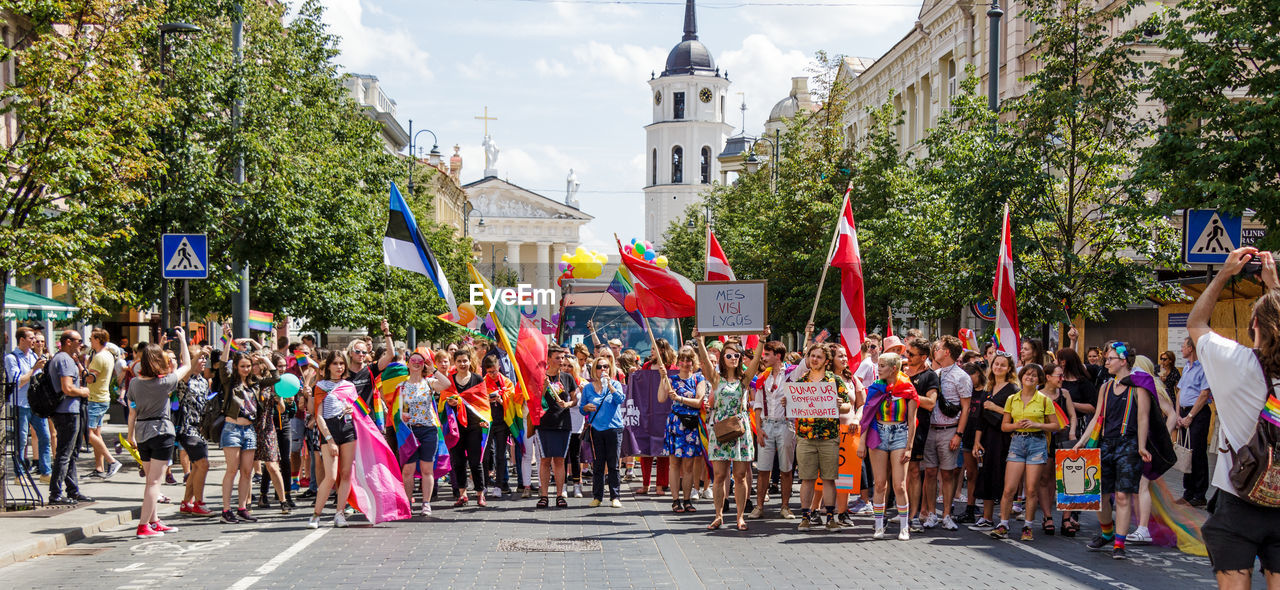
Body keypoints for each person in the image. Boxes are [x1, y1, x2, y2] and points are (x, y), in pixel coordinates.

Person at [1190, 247, 1280, 590]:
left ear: (1254, 325)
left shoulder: (1236, 363)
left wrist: (1224, 274)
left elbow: (1197, 323)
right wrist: (1275, 287)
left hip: (1239, 496)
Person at [1073, 341, 1152, 560]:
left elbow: (1143, 417)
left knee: (1123, 495)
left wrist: (1142, 446)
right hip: (1106, 443)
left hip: (1129, 444)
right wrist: (1082, 441)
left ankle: (1120, 542)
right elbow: (1098, 417)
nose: (1106, 362)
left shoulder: (1139, 385)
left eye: (1110, 359)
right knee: (1100, 494)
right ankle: (1107, 532)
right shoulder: (1106, 387)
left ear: (1123, 361)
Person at [694, 329, 762, 531]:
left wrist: (762, 341)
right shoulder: (716, 379)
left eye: (736, 355)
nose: (733, 358)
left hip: (740, 430)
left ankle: (740, 517)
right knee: (719, 476)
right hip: (720, 430)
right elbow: (705, 362)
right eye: (729, 355)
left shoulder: (744, 380)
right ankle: (718, 515)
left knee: (740, 475)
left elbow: (756, 361)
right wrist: (699, 340)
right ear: (722, 358)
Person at [127, 330, 192, 538]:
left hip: (142, 431)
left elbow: (132, 409)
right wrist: (182, 340)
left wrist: (130, 435)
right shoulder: (165, 383)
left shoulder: (135, 383)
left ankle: (154, 520)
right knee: (156, 482)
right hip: (162, 431)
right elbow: (187, 366)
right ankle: (143, 525)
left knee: (150, 481)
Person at [989, 364, 1060, 541]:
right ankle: (1003, 524)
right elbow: (1005, 426)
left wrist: (1038, 424)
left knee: (1031, 489)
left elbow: (1056, 425)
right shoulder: (1012, 399)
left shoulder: (1044, 400)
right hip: (1017, 441)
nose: (1030, 377)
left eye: (1034, 376)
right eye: (1027, 374)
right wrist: (1016, 425)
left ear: (1039, 380)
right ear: (1021, 377)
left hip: (1037, 442)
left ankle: (1028, 526)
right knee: (1009, 489)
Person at [792, 341, 853, 532]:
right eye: (812, 356)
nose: (814, 359)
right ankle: (805, 517)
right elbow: (794, 406)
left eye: (819, 356)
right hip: (806, 435)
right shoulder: (801, 382)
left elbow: (847, 405)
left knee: (829, 478)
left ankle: (830, 518)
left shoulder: (834, 381)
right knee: (807, 479)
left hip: (828, 436)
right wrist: (789, 400)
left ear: (826, 361)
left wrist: (838, 404)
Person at [859, 352, 917, 540]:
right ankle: (878, 526)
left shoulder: (907, 388)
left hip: (900, 434)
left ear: (893, 368)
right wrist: (862, 442)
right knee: (879, 484)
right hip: (879, 434)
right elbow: (866, 417)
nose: (879, 368)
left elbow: (912, 420)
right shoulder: (875, 388)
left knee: (899, 485)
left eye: (883, 365)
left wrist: (909, 446)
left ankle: (904, 527)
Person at [922, 336, 971, 531]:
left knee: (948, 474)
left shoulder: (961, 376)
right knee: (930, 472)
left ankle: (947, 514)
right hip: (930, 429)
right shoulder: (935, 373)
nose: (936, 350)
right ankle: (932, 513)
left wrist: (958, 434)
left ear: (947, 351)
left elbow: (966, 408)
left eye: (939, 348)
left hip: (949, 430)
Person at [309, 351, 359, 528]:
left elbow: (358, 410)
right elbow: (318, 415)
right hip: (329, 431)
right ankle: (316, 514)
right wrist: (329, 439)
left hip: (347, 430)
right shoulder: (321, 386)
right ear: (328, 366)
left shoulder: (349, 386)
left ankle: (340, 513)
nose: (339, 367)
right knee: (330, 476)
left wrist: (352, 410)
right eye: (336, 363)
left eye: (342, 364)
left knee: (346, 474)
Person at [970, 351, 1017, 530]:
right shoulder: (988, 388)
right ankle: (986, 517)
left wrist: (996, 407)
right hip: (987, 437)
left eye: (1003, 365)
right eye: (996, 364)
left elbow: (1016, 415)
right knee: (986, 475)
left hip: (1003, 438)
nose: (999, 367)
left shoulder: (1013, 390)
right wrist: (977, 441)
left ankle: (1003, 519)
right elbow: (980, 419)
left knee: (1002, 477)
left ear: (1009, 368)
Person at [749, 340, 795, 519]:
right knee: (763, 468)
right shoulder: (763, 377)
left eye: (767, 354)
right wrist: (758, 429)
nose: (763, 357)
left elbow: (807, 362)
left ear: (778, 356)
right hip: (767, 424)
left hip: (785, 423)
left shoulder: (791, 374)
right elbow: (758, 404)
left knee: (786, 468)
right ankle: (759, 506)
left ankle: (785, 506)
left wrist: (808, 333)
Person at [659, 345, 706, 514]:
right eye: (683, 360)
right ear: (678, 362)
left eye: (689, 360)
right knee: (674, 464)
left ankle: (686, 500)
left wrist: (679, 398)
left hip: (691, 424)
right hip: (675, 424)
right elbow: (661, 398)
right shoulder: (671, 380)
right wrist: (662, 378)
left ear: (694, 363)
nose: (686, 363)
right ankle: (675, 500)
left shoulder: (698, 379)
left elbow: (699, 401)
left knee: (688, 465)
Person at [47, 330, 92, 505]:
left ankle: (72, 490)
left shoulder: (65, 359)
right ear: (67, 341)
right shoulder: (64, 360)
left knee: (71, 453)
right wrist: (83, 391)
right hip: (67, 411)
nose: (81, 344)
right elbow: (67, 388)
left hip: (67, 410)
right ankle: (56, 494)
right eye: (78, 340)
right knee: (64, 454)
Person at [399, 348, 443, 516]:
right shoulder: (402, 385)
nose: (416, 364)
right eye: (413, 361)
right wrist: (403, 415)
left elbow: (446, 385)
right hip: (410, 432)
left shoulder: (429, 382)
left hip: (428, 430)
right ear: (408, 364)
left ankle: (426, 503)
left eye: (420, 361)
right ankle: (408, 503)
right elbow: (401, 406)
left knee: (427, 469)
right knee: (408, 470)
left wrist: (434, 370)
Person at [579, 352, 627, 508]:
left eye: (605, 366)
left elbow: (620, 400)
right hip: (596, 430)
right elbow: (582, 409)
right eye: (599, 367)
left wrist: (610, 386)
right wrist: (585, 407)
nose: (602, 369)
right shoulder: (588, 388)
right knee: (598, 464)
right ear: (594, 370)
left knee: (613, 464)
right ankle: (597, 496)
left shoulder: (616, 384)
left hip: (614, 428)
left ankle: (615, 496)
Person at [902, 338, 940, 532]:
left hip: (917, 428)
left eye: (911, 354)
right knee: (898, 472)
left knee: (915, 471)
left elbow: (931, 403)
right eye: (906, 352)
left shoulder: (930, 376)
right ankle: (899, 513)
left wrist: (909, 392)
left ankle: (913, 516)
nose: (906, 356)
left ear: (924, 357)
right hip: (895, 426)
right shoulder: (900, 371)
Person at [6, 327, 51, 484]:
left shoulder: (33, 355)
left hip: (36, 404)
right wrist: (34, 369)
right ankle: (19, 474)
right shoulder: (11, 358)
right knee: (22, 440)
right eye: (31, 338)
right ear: (22, 340)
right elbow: (18, 382)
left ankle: (46, 472)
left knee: (45, 437)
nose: (35, 341)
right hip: (21, 403)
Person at [445, 347, 487, 507]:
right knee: (458, 461)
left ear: (470, 362)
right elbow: (442, 401)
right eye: (459, 361)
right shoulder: (449, 380)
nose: (462, 364)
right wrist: (449, 403)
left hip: (474, 426)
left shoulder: (478, 379)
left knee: (476, 462)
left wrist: (484, 420)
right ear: (454, 363)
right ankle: (462, 494)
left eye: (465, 361)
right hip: (455, 427)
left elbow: (483, 404)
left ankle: (480, 494)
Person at [536, 346, 577, 508]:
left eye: (563, 357)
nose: (561, 360)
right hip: (544, 423)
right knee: (545, 460)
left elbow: (575, 400)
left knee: (560, 460)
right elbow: (534, 398)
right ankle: (544, 495)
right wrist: (544, 386)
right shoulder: (540, 377)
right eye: (558, 357)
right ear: (549, 359)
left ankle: (560, 495)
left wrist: (567, 404)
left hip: (563, 423)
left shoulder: (567, 377)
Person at [176, 349, 215, 516]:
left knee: (197, 467)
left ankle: (186, 502)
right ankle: (199, 503)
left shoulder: (204, 381)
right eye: (200, 359)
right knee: (203, 465)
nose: (203, 361)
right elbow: (188, 368)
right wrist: (197, 353)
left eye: (205, 358)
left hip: (199, 428)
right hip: (187, 427)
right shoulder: (184, 378)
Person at [1040, 362, 1078, 535]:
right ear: (1048, 377)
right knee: (1046, 479)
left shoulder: (1065, 394)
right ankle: (1048, 516)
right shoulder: (1038, 395)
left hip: (1064, 439)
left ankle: (1066, 518)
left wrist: (1072, 434)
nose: (1062, 379)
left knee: (1068, 479)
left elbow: (1072, 416)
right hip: (1046, 440)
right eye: (1059, 376)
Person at [1174, 336, 1211, 507]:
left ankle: (1199, 493)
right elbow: (1180, 392)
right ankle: (1188, 492)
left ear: (1191, 348)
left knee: (1197, 453)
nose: (1181, 349)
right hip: (1184, 412)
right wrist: (1178, 414)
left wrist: (1190, 417)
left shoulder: (1203, 368)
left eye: (1183, 346)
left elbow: (1204, 394)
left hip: (1197, 414)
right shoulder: (1187, 368)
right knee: (1186, 452)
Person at [253, 354, 289, 514]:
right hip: (249, 427)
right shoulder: (248, 383)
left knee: (273, 465)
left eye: (254, 364)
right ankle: (246, 504)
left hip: (267, 426)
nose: (251, 367)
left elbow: (281, 409)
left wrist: (279, 400)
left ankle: (283, 501)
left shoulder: (269, 384)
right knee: (246, 469)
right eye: (250, 364)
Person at [85, 329, 123, 479]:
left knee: (87, 433)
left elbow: (90, 379)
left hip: (95, 399)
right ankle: (99, 469)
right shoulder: (108, 355)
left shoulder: (99, 357)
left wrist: (82, 366)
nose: (89, 340)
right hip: (101, 398)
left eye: (92, 338)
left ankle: (111, 461)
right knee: (96, 434)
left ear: (98, 339)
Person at [956, 362, 987, 523]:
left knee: (985, 473)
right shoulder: (967, 392)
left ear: (978, 374)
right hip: (968, 434)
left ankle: (986, 511)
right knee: (972, 473)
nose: (969, 380)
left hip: (984, 437)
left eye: (971, 376)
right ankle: (970, 507)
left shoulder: (987, 391)